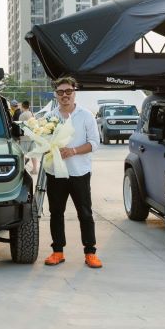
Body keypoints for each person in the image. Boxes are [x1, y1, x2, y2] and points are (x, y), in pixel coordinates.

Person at [43, 77, 103, 269]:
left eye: (68, 91)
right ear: (56, 94)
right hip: (56, 174)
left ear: (74, 92)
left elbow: (94, 143)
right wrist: (48, 149)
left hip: (79, 173)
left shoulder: (86, 116)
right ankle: (57, 251)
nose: (64, 96)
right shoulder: (50, 117)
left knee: (85, 213)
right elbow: (43, 142)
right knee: (56, 213)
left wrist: (73, 151)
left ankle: (90, 252)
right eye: (60, 92)